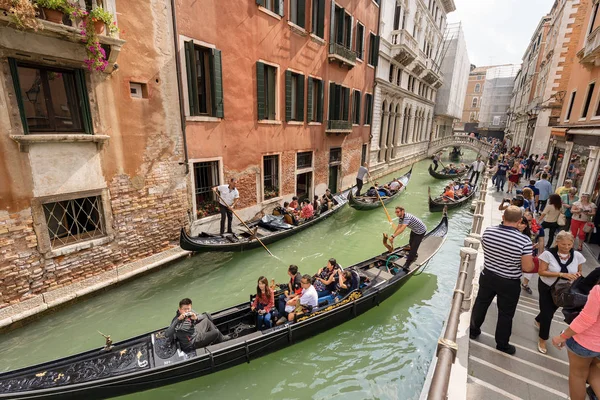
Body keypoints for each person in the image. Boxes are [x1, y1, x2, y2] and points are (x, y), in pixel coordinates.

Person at [469, 206, 534, 355]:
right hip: (509, 282)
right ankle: (502, 344)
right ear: (519, 221)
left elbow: (487, 249)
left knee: (481, 303)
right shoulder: (524, 241)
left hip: (488, 275)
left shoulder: (488, 231)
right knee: (506, 314)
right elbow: (527, 267)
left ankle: (473, 331)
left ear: (503, 217)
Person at [536, 231, 584, 354]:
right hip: (547, 286)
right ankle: (543, 339)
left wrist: (576, 275)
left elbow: (579, 272)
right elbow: (541, 272)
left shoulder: (577, 256)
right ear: (557, 242)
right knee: (548, 314)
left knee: (550, 310)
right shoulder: (548, 254)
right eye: (563, 244)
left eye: (569, 244)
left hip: (563, 289)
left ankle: (538, 319)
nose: (566, 247)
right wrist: (561, 274)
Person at [551, 280, 600, 400]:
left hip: (585, 342)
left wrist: (562, 336)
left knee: (578, 375)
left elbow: (586, 319)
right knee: (593, 369)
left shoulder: (598, 291)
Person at [165, 298, 229, 351]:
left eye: (188, 309)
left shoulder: (190, 312)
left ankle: (219, 339)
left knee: (207, 320)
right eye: (185, 309)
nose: (187, 311)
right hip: (192, 342)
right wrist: (178, 320)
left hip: (196, 332)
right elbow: (167, 333)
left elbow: (202, 316)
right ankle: (220, 345)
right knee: (216, 332)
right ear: (180, 309)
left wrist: (196, 318)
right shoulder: (177, 322)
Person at [521, 211, 544, 295]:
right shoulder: (518, 226)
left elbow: (541, 241)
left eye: (529, 220)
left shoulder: (538, 228)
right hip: (519, 250)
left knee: (530, 268)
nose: (528, 223)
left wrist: (541, 253)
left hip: (532, 252)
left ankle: (525, 284)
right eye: (525, 221)